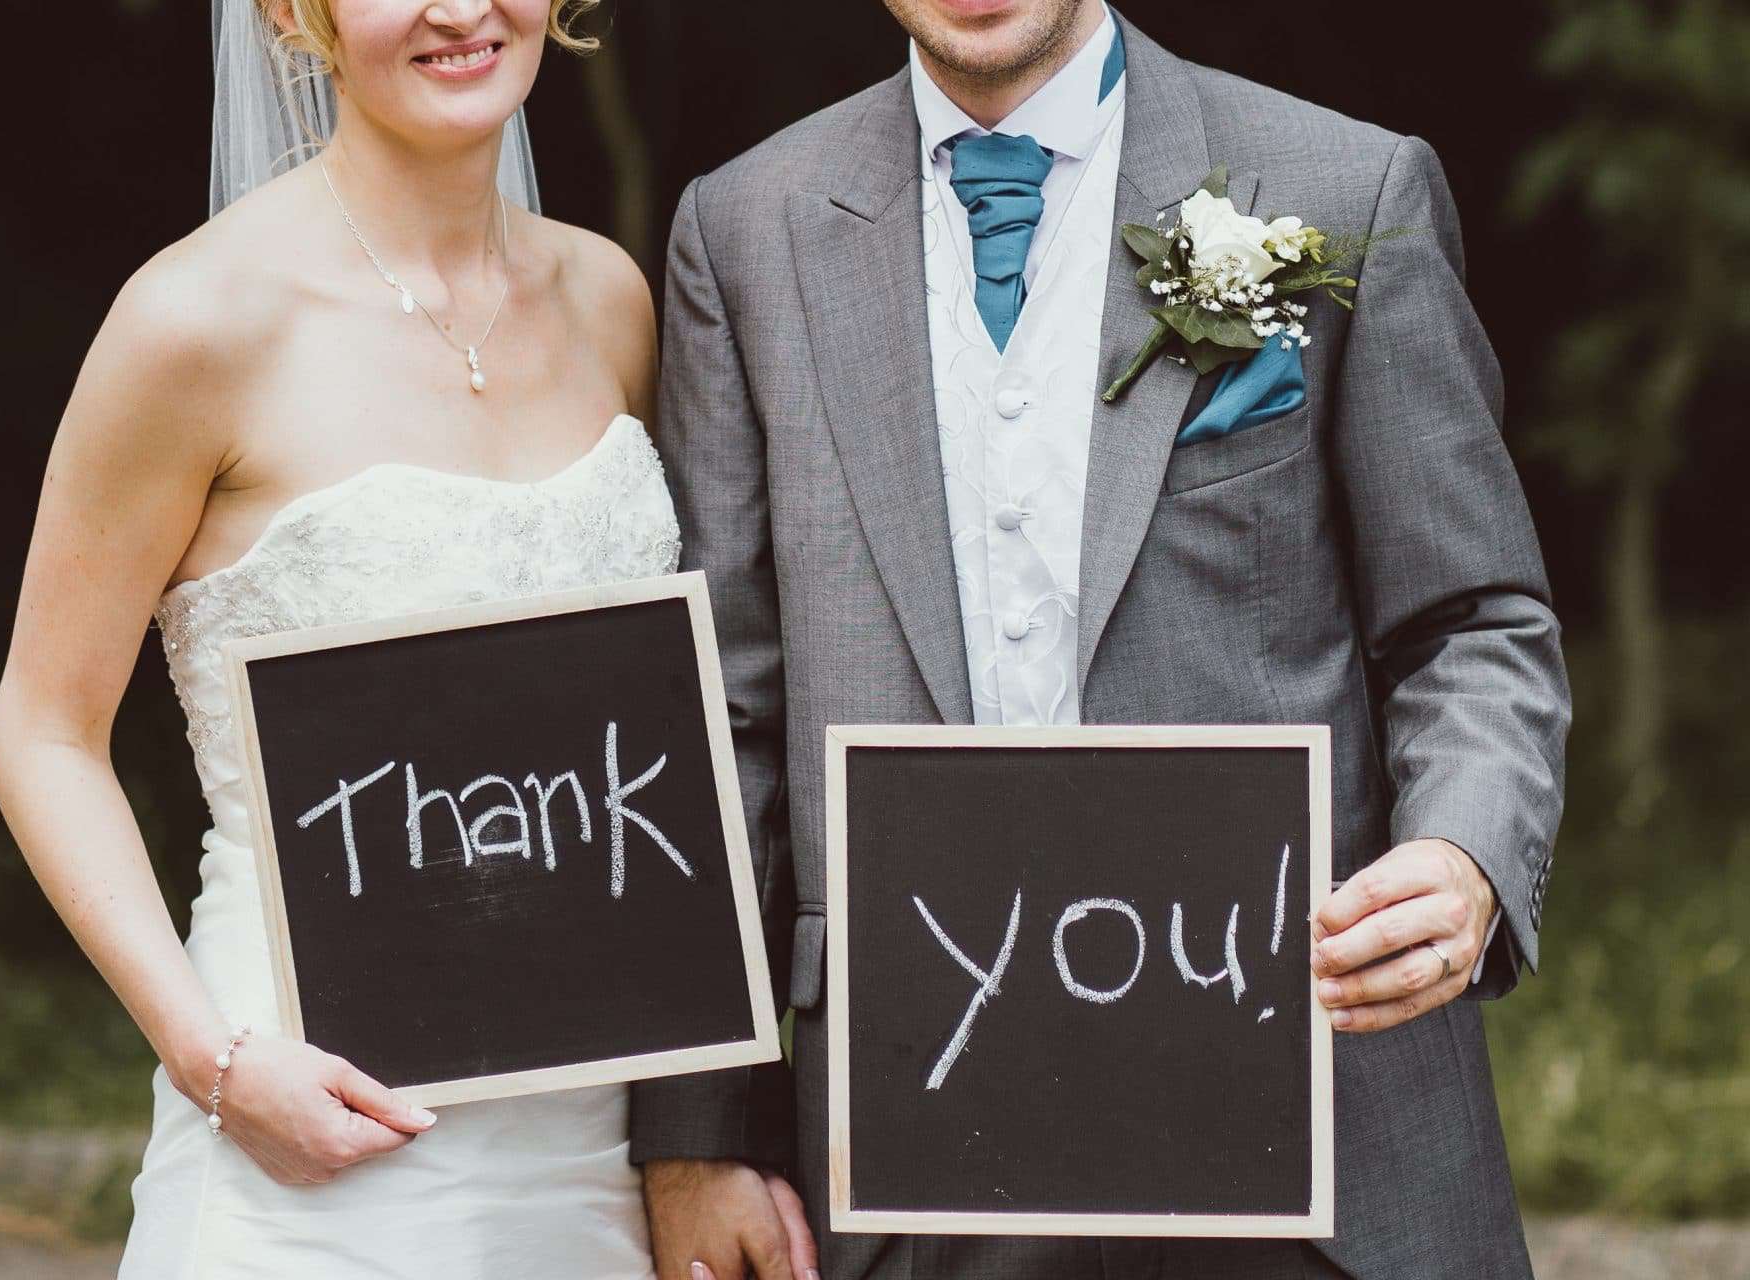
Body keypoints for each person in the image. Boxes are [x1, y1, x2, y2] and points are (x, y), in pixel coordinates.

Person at [638, 2, 1570, 1278]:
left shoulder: (1343, 184)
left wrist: (1463, 844)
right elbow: (722, 719)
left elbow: (1474, 620)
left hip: (1309, 1125)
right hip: (916, 1141)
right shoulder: (745, 233)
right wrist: (698, 1135)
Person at [0, 1, 666, 1274]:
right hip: (309, 1121)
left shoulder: (609, 299)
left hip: (590, 1145)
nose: (461, 11)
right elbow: (44, 729)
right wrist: (214, 1057)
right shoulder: (194, 324)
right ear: (297, 17)